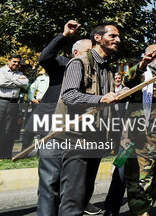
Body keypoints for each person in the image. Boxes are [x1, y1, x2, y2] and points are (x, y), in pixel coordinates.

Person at [58, 21, 121, 216]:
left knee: (84, 193)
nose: (118, 40)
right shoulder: (79, 63)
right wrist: (100, 98)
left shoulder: (108, 69)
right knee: (72, 198)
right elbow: (69, 96)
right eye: (113, 36)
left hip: (96, 138)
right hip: (75, 138)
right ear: (97, 38)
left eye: (118, 37)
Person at [33, 20, 91, 216]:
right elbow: (45, 58)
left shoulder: (96, 70)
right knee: (50, 182)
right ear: (75, 53)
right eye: (88, 51)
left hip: (79, 133)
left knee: (72, 187)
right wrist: (64, 36)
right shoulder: (62, 64)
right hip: (52, 128)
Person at [122, 43, 156, 216]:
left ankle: (147, 210)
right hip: (142, 139)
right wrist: (142, 64)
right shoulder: (142, 75)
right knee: (139, 180)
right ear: (146, 55)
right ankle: (139, 213)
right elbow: (127, 80)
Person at [0, 53, 29, 158]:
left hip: (14, 103)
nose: (16, 64)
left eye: (18, 62)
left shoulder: (20, 73)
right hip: (1, 101)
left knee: (9, 128)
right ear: (8, 61)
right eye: (14, 61)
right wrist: (17, 82)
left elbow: (25, 83)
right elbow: (1, 82)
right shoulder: (1, 71)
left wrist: (11, 81)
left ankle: (5, 154)